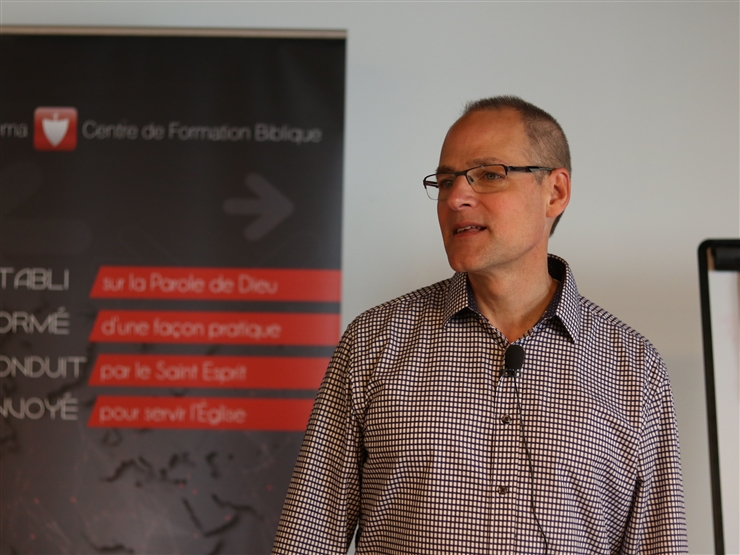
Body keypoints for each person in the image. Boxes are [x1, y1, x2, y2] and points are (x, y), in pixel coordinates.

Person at [272, 96, 688, 554]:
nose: (456, 198)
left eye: (489, 175)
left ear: (555, 192)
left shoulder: (634, 366)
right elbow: (306, 538)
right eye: (446, 181)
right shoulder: (374, 340)